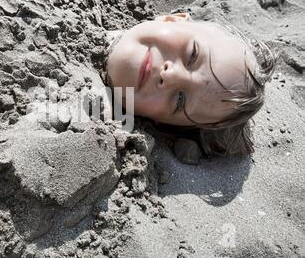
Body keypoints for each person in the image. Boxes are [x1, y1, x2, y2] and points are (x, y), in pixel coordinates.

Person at [104, 13, 277, 157]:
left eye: (180, 100)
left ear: (159, 123)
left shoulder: (95, 116)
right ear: (173, 18)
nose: (170, 75)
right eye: (192, 54)